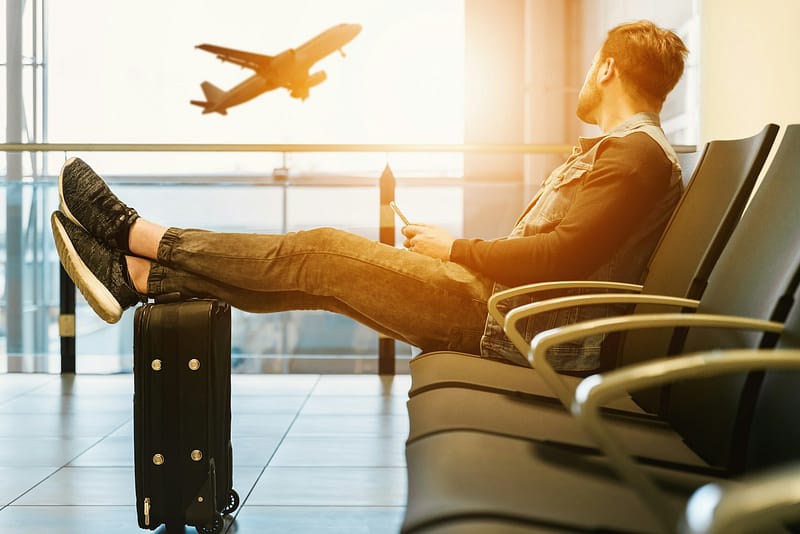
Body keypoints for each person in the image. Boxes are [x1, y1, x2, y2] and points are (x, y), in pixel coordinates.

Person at [52, 20, 688, 372]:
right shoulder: (630, 155)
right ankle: (137, 277)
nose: (582, 80)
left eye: (589, 68)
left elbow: (563, 258)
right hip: (504, 313)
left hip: (505, 323)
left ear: (606, 68)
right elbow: (563, 254)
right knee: (321, 280)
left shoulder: (633, 156)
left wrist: (458, 248)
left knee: (322, 252)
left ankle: (134, 234)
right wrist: (458, 252)